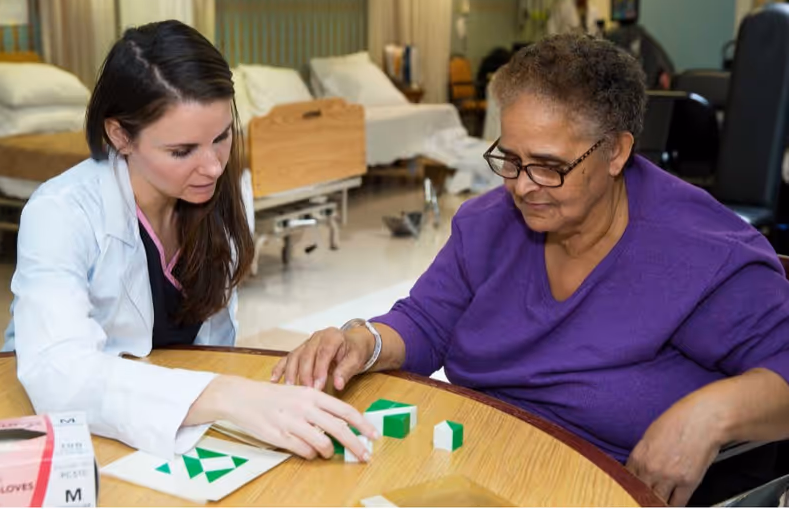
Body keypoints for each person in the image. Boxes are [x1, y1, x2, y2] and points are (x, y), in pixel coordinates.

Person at [272, 34, 789, 506]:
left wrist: (710, 415)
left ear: (616, 152)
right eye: (510, 159)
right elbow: (428, 322)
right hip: (482, 460)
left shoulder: (703, 253)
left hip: (602, 486)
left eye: (548, 165)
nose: (521, 186)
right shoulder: (490, 223)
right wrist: (365, 341)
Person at [2, 20, 377, 461]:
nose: (214, 167)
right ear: (120, 135)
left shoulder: (225, 191)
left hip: (176, 428)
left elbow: (213, 347)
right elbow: (59, 374)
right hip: (66, 434)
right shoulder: (62, 212)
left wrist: (238, 400)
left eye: (221, 138)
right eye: (182, 151)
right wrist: (228, 396)